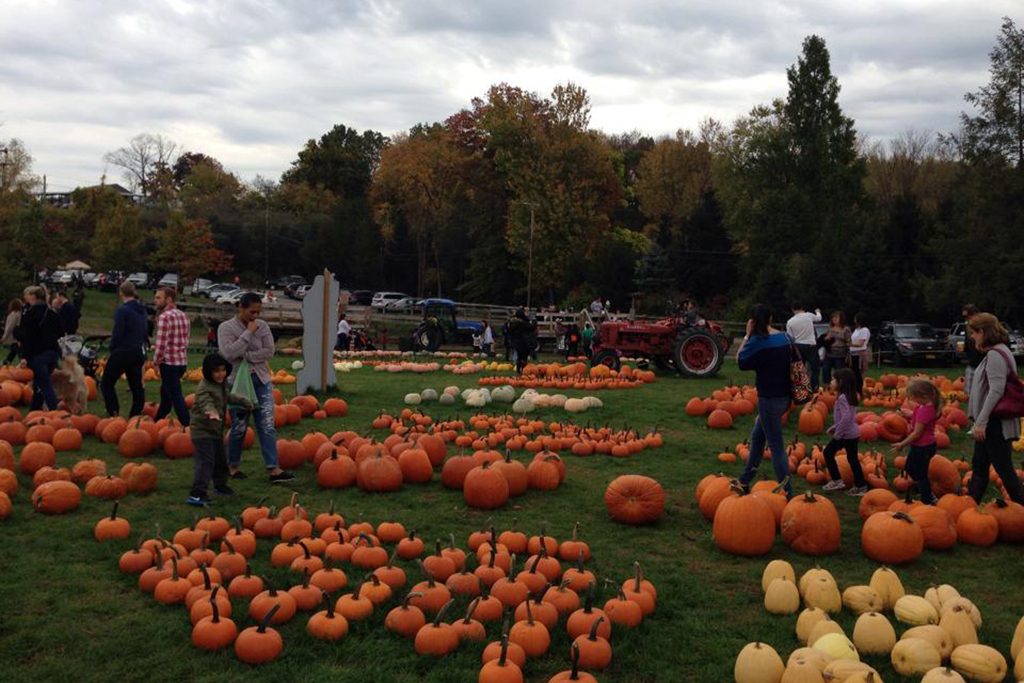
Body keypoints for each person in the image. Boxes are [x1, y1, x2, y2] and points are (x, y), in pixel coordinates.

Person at [218, 292, 294, 484]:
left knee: (267, 424)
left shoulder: (264, 326)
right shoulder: (225, 328)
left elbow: (269, 350)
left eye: (258, 312)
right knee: (239, 427)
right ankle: (232, 466)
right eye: (252, 312)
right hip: (237, 383)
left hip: (261, 380)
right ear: (241, 308)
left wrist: (248, 356)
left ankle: (273, 468)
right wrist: (248, 333)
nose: (255, 316)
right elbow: (228, 354)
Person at [965, 313, 1024, 504]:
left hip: (994, 423)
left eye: (973, 333)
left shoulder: (995, 355)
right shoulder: (999, 351)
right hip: (990, 422)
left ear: (982, 331)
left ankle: (1021, 503)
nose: (972, 337)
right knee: (980, 465)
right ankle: (970, 505)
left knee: (1004, 469)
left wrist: (981, 422)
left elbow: (996, 391)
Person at [736, 304, 793, 496]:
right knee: (757, 437)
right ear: (770, 318)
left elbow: (740, 361)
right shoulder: (785, 338)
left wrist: (746, 336)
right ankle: (744, 480)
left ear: (752, 321)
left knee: (776, 445)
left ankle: (787, 492)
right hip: (786, 396)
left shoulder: (758, 341)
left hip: (768, 398)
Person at [186, 353, 252, 506]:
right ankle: (197, 494)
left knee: (221, 460)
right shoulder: (204, 388)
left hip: (215, 430)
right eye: (216, 371)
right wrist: (212, 412)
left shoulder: (221, 384)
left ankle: (220, 485)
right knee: (206, 461)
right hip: (202, 430)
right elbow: (205, 403)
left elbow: (227, 396)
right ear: (208, 372)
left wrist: (243, 401)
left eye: (223, 370)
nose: (220, 374)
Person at [101, 282, 148, 417]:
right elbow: (145, 331)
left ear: (121, 293)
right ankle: (135, 414)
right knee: (136, 386)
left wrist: (112, 347)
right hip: (137, 350)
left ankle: (113, 411)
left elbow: (118, 332)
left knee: (107, 383)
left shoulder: (122, 311)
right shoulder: (142, 311)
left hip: (123, 351)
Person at [892, 378, 941, 504]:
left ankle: (928, 499)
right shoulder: (925, 406)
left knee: (920, 474)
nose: (912, 400)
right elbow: (919, 417)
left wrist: (902, 444)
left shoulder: (926, 409)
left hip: (923, 447)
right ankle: (926, 491)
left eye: (913, 397)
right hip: (922, 446)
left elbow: (917, 433)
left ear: (922, 396)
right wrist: (908, 415)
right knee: (910, 468)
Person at [15, 286, 63, 410]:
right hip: (52, 352)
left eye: (27, 295)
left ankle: (55, 411)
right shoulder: (52, 313)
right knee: (39, 384)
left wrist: (24, 356)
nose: (25, 298)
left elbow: (28, 337)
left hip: (38, 354)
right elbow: (61, 332)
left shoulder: (30, 314)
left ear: (33, 297)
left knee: (45, 384)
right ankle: (35, 409)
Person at [820, 368, 867, 495]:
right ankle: (861, 485)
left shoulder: (842, 398)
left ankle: (836, 480)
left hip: (845, 434)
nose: (831, 381)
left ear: (841, 382)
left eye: (833, 379)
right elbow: (848, 417)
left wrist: (838, 434)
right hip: (852, 433)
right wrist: (835, 426)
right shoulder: (849, 396)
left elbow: (846, 417)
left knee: (828, 453)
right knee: (852, 459)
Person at [153, 287, 191, 426]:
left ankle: (187, 424)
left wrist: (156, 361)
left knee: (175, 395)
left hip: (169, 363)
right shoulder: (183, 315)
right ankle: (159, 419)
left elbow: (161, 344)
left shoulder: (164, 317)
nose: (155, 300)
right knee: (166, 393)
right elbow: (186, 340)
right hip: (181, 361)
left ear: (168, 299)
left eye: (158, 298)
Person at [786, 304, 823, 392]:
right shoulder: (808, 315)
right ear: (802, 308)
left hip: (798, 346)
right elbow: (819, 318)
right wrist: (818, 311)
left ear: (792, 309)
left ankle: (801, 389)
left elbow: (790, 337)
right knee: (815, 368)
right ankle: (814, 387)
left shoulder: (790, 322)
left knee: (800, 369)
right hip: (810, 345)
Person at [821, 311, 851, 388]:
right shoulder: (830, 328)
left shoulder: (845, 329)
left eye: (836, 317)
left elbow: (849, 341)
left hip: (840, 354)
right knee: (825, 369)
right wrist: (826, 339)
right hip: (829, 353)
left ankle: (839, 386)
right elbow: (824, 340)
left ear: (841, 318)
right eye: (833, 317)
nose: (834, 319)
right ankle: (826, 386)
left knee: (838, 372)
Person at [961, 304, 981, 398]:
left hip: (981, 362)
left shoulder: (982, 327)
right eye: (965, 317)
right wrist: (964, 348)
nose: (967, 319)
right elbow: (967, 342)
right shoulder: (967, 326)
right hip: (972, 362)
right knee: (969, 393)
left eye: (969, 316)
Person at [508, 309, 534, 374]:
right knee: (524, 357)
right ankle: (524, 370)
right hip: (524, 341)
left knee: (519, 357)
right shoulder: (523, 323)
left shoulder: (513, 322)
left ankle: (518, 370)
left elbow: (510, 330)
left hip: (516, 341)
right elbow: (531, 327)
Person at [850, 314, 871, 392]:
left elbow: (860, 343)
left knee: (859, 372)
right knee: (854, 372)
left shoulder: (864, 330)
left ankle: (860, 389)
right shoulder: (856, 330)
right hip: (853, 352)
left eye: (855, 318)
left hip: (860, 353)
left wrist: (850, 344)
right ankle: (855, 388)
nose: (854, 320)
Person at [3, 299, 23, 365]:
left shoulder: (13, 315)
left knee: (16, 351)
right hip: (19, 336)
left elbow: (10, 327)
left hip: (13, 337)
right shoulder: (21, 314)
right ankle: (6, 363)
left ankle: (6, 364)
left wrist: (4, 337)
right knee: (14, 351)